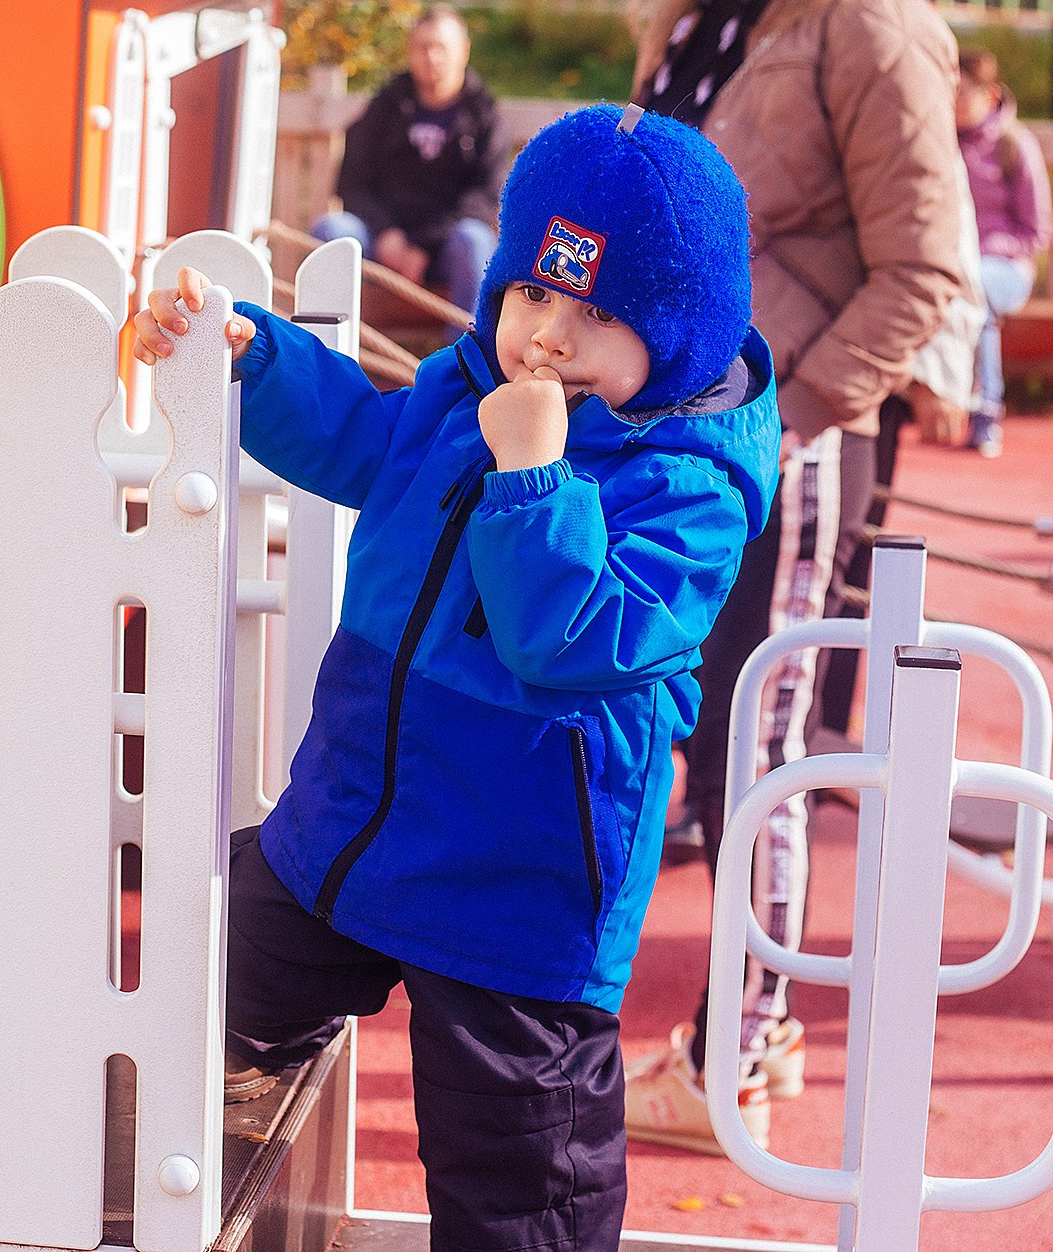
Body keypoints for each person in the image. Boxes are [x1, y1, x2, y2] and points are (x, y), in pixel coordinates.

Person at [135, 105, 779, 1252]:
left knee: (517, 1170)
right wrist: (257, 356)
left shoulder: (690, 490)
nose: (547, 338)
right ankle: (238, 1071)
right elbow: (368, 441)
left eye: (595, 314)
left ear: (677, 339)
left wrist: (534, 475)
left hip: (516, 882)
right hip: (357, 825)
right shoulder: (468, 381)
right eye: (534, 293)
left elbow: (568, 639)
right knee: (213, 968)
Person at [622, 0, 973, 1156]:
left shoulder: (866, 21)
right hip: (671, 441)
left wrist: (799, 411)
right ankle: (745, 1042)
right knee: (690, 728)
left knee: (752, 736)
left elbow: (927, 266)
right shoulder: (699, 13)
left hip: (784, 439)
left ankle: (742, 1049)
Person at [311, 4, 503, 313]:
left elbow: (485, 196)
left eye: (441, 47)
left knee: (474, 240)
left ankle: (464, 359)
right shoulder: (386, 105)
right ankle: (328, 352)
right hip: (380, 242)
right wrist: (386, 233)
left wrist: (424, 245)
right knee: (334, 230)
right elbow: (352, 182)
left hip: (446, 248)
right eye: (422, 47)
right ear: (410, 52)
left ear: (463, 51)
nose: (431, 57)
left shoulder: (483, 113)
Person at [957, 46, 1053, 458]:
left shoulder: (1016, 145)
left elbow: (1037, 232)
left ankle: (985, 411)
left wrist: (981, 252)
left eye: (962, 94)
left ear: (989, 96)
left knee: (974, 294)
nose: (953, 105)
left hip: (1005, 270)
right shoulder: (938, 143)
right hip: (953, 267)